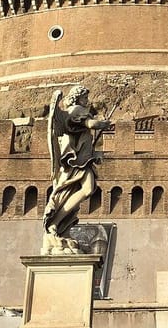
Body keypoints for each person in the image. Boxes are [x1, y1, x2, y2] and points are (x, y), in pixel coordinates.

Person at [42, 85, 110, 254]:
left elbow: (82, 135)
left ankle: (58, 225)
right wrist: (103, 123)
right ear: (77, 98)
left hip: (81, 159)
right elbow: (90, 123)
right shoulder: (76, 110)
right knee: (86, 189)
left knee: (87, 189)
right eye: (85, 98)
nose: (87, 101)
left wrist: (95, 153)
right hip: (76, 161)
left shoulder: (74, 111)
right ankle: (54, 223)